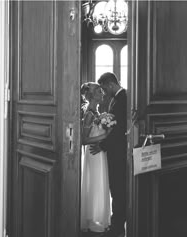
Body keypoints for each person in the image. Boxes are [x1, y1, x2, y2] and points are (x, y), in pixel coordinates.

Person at [90, 73, 127, 237]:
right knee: (116, 187)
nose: (103, 92)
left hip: (117, 151)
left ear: (111, 84)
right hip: (114, 150)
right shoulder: (118, 99)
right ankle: (117, 224)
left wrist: (102, 145)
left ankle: (118, 226)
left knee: (118, 188)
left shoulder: (122, 99)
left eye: (104, 88)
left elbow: (118, 130)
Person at [80, 82, 112, 234]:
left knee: (100, 183)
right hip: (93, 154)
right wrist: (104, 135)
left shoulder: (97, 113)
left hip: (100, 153)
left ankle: (99, 217)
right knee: (94, 183)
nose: (103, 94)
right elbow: (84, 140)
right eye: (100, 92)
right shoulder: (89, 115)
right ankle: (92, 219)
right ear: (92, 96)